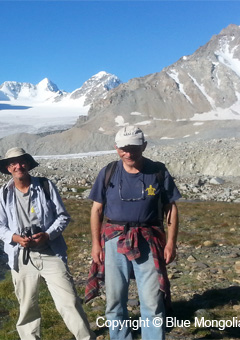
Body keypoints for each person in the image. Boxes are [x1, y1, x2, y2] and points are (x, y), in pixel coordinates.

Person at [85, 126, 181, 340]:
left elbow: (170, 208)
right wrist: (95, 245)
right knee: (115, 300)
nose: (128, 153)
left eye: (134, 148)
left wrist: (171, 243)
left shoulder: (158, 171)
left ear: (144, 146)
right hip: (113, 240)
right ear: (116, 147)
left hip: (149, 239)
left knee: (152, 300)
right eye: (123, 148)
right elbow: (97, 209)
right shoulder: (108, 171)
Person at [0, 147, 94, 340]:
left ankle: (86, 337)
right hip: (21, 256)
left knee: (69, 300)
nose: (18, 166)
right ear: (8, 168)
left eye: (22, 162)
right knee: (27, 306)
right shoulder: (3, 193)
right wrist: (16, 238)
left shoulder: (45, 186)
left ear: (28, 164)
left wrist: (47, 235)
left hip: (50, 252)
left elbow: (63, 216)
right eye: (13, 163)